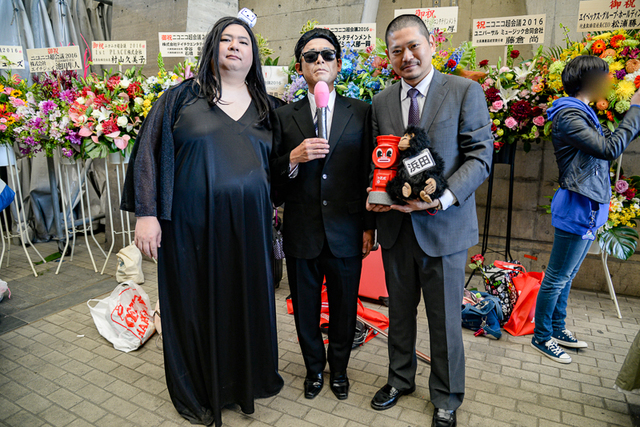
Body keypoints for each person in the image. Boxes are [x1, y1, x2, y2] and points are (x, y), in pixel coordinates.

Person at [121, 16, 284, 426]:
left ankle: (238, 386)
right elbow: (147, 155)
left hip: (248, 230)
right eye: (226, 39)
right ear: (212, 48)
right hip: (189, 227)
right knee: (193, 306)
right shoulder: (181, 98)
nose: (234, 46)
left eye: (243, 41)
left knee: (241, 305)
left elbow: (280, 170)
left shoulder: (269, 107)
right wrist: (147, 214)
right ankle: (198, 391)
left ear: (253, 54)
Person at [366, 15, 493, 427]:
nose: (406, 56)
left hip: (445, 228)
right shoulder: (381, 102)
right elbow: (379, 161)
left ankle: (447, 396)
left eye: (413, 46)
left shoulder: (464, 91)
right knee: (399, 314)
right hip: (397, 229)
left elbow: (480, 156)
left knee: (444, 320)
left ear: (431, 45)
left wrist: (443, 197)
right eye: (396, 50)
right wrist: (377, 197)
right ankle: (400, 379)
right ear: (389, 56)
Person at [270, 28, 375, 401]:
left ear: (339, 64)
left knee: (345, 309)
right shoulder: (284, 116)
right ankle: (314, 369)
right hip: (302, 232)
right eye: (311, 56)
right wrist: (293, 158)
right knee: (305, 310)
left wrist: (369, 227)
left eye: (327, 55)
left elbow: (369, 173)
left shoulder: (361, 112)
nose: (319, 61)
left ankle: (340, 369)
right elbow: (272, 177)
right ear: (300, 67)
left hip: (347, 231)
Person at [533, 55, 640, 364]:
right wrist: (635, 109)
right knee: (556, 277)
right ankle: (542, 336)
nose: (608, 83)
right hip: (576, 206)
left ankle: (556, 328)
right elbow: (609, 148)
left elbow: (611, 143)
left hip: (588, 206)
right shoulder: (569, 115)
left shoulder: (583, 112)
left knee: (567, 275)